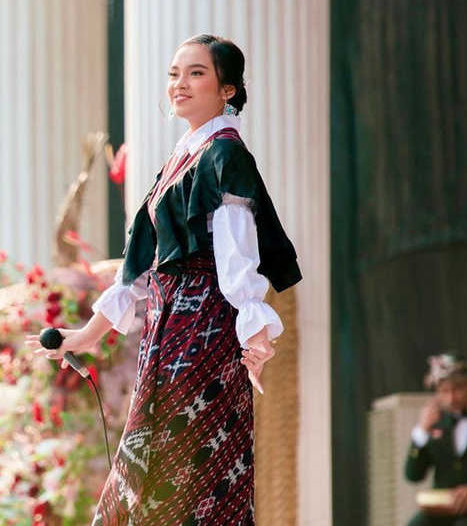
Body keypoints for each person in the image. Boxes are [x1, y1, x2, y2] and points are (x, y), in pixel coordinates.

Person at [25, 34, 301, 525]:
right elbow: (141, 264)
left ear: (228, 90)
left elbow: (237, 256)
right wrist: (87, 334)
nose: (180, 84)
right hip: (169, 328)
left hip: (203, 332)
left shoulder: (224, 153)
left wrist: (255, 329)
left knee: (182, 470)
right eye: (175, 74)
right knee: (158, 467)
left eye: (196, 73)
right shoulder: (183, 155)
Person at [406, 353, 467, 526]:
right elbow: (413, 475)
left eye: (457, 389)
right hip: (442, 512)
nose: (451, 398)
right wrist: (421, 432)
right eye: (444, 391)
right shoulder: (436, 423)